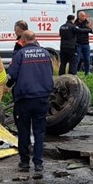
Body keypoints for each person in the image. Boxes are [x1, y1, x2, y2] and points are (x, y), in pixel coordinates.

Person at [6, 30, 54, 176]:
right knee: (39, 131)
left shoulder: (20, 54)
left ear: (23, 40)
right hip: (42, 97)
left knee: (24, 130)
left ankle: (24, 162)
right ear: (35, 39)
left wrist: (8, 86)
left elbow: (11, 75)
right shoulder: (46, 54)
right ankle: (38, 163)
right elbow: (50, 72)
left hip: (24, 98)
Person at [74, 10, 93, 75]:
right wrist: (86, 30)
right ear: (79, 16)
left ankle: (87, 72)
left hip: (86, 43)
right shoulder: (75, 23)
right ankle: (75, 72)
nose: (84, 17)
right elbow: (76, 30)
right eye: (82, 16)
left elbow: (91, 30)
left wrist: (81, 30)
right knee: (77, 59)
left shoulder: (86, 22)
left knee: (87, 59)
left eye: (84, 16)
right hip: (78, 43)